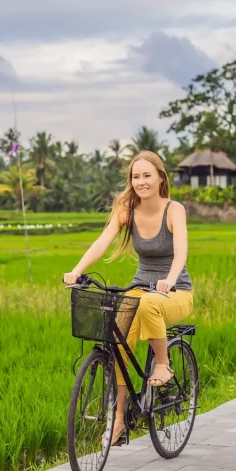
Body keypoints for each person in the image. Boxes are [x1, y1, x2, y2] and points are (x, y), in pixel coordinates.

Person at [62, 150, 194, 446]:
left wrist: (170, 280)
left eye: (147, 175)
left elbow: (182, 251)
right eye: (136, 177)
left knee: (148, 304)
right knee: (119, 341)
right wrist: (77, 270)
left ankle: (163, 363)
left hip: (176, 293)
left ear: (161, 178)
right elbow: (102, 241)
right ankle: (118, 420)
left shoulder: (174, 210)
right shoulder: (127, 207)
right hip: (141, 289)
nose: (141, 182)